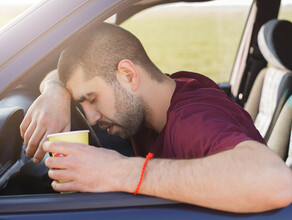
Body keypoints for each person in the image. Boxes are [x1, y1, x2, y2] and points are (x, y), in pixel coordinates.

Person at [20, 23, 292, 213]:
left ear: (128, 75)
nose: (90, 117)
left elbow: (277, 181)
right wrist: (55, 91)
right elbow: (69, 71)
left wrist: (116, 171)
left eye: (92, 99)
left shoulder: (193, 121)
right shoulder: (167, 91)